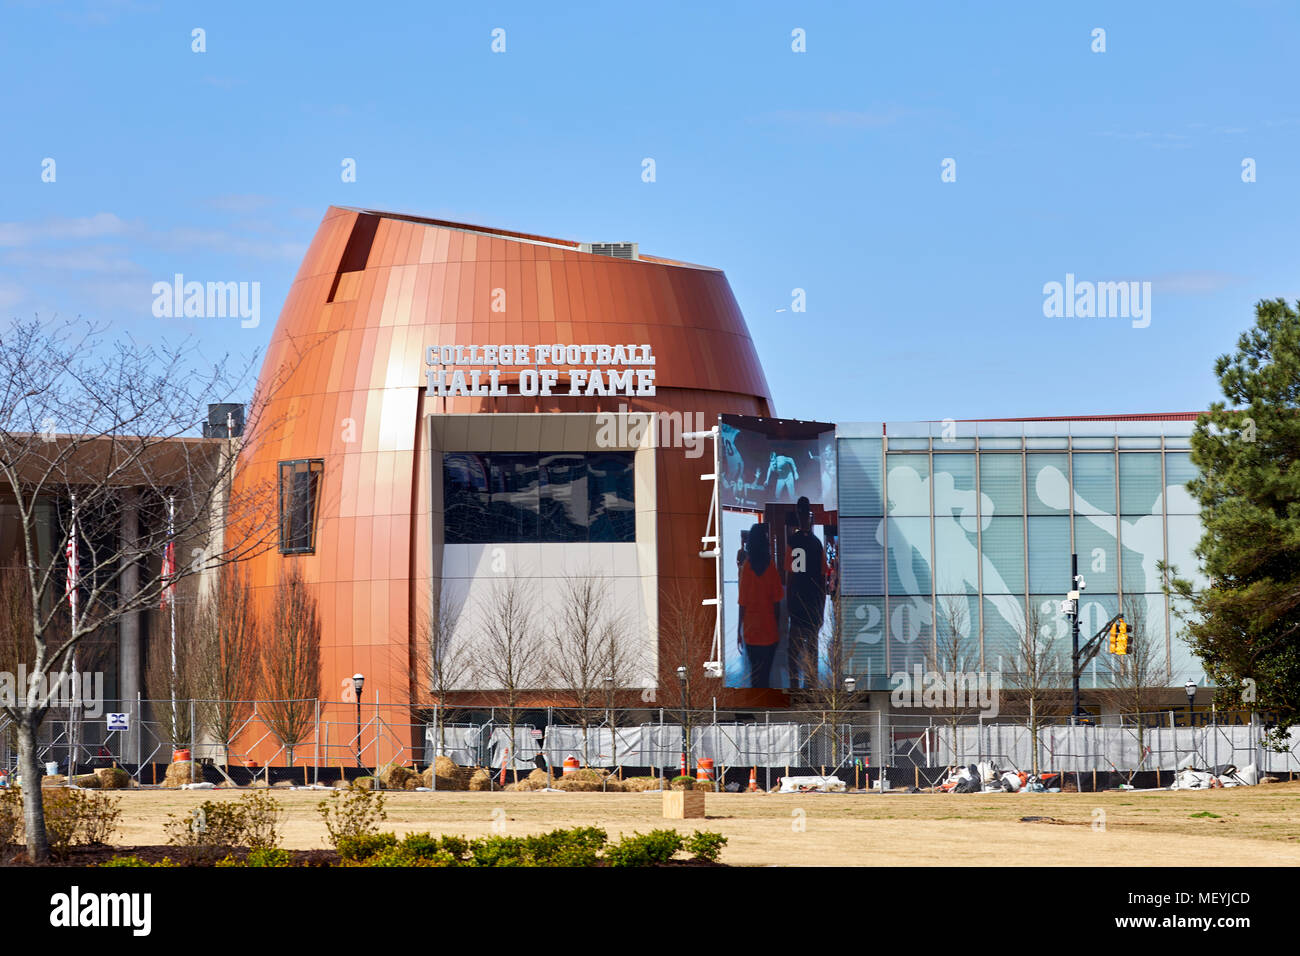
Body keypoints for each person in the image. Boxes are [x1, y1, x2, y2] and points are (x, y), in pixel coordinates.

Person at [786, 496, 827, 689]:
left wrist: (789, 604)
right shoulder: (817, 544)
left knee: (794, 651)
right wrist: (822, 609)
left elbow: (790, 576)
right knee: (812, 649)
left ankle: (795, 685)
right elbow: (822, 578)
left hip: (797, 604)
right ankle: (810, 686)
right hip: (812, 605)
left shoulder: (791, 542)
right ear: (810, 517)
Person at [737, 523, 782, 688]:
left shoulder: (746, 568)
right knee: (765, 676)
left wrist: (738, 632)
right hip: (769, 631)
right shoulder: (771, 567)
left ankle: (757, 705)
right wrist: (777, 628)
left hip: (751, 631)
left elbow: (742, 603)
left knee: (754, 676)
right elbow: (777, 601)